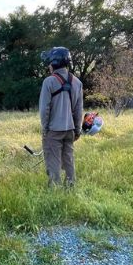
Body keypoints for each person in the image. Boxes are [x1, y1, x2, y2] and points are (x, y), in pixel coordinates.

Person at [39, 47, 83, 186]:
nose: (48, 65)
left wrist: (45, 129)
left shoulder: (49, 82)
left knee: (53, 162)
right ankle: (70, 187)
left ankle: (55, 191)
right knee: (69, 160)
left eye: (49, 62)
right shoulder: (77, 82)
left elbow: (44, 109)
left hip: (53, 130)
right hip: (70, 130)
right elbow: (78, 110)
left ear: (54, 63)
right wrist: (77, 130)